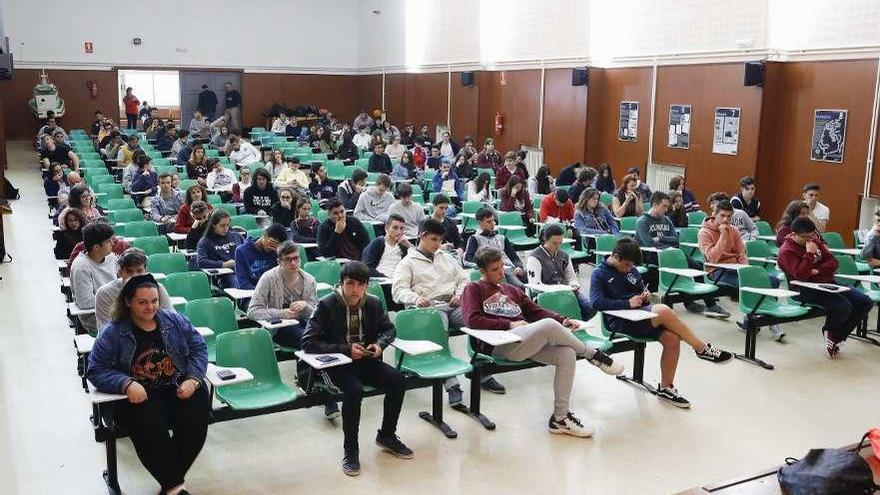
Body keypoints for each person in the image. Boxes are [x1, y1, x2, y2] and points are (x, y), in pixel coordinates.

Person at [463, 245, 622, 436]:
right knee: (548, 325)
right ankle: (593, 355)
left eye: (501, 267)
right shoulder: (473, 288)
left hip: (523, 342)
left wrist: (562, 320)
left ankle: (560, 418)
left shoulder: (511, 289)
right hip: (499, 345)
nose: (501, 272)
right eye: (495, 269)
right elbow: (472, 320)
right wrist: (509, 325)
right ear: (482, 271)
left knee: (566, 353)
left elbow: (535, 311)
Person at [88, 274, 209, 495]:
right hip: (134, 398)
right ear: (128, 302)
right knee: (149, 415)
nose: (150, 307)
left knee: (199, 402)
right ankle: (174, 487)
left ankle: (171, 483)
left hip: (172, 387)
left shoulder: (174, 321)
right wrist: (125, 383)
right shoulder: (113, 332)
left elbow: (199, 348)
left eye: (154, 301)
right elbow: (95, 369)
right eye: (142, 302)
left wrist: (193, 378)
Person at [590, 238, 733, 407]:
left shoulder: (632, 270)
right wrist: (626, 303)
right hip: (620, 321)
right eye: (627, 265)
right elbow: (596, 303)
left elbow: (639, 292)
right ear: (615, 256)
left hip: (640, 317)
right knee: (663, 309)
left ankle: (666, 387)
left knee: (672, 339)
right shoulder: (599, 274)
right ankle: (701, 348)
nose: (629, 269)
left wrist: (645, 297)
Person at [302, 261, 413, 476]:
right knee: (354, 390)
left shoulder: (373, 302)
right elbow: (308, 342)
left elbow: (389, 330)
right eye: (350, 283)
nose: (355, 289)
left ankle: (387, 435)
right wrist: (345, 349)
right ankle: (350, 449)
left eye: (361, 284)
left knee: (398, 380)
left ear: (367, 285)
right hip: (336, 365)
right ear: (341, 283)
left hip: (365, 359)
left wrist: (379, 345)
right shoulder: (326, 304)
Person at [393, 218, 506, 400]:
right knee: (439, 327)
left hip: (453, 304)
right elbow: (398, 290)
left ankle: (481, 370)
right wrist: (416, 298)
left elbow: (463, 279)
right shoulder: (408, 263)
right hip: (429, 309)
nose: (438, 244)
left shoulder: (445, 257)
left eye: (440, 240)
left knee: (481, 321)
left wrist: (460, 295)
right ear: (423, 236)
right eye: (434, 240)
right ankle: (451, 383)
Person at [778, 217, 872, 358]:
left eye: (813, 235)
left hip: (827, 283)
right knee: (843, 306)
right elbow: (801, 276)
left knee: (864, 301)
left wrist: (817, 270)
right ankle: (830, 331)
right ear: (794, 234)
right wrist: (809, 254)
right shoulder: (786, 251)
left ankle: (837, 337)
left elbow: (833, 263)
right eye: (806, 237)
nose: (811, 239)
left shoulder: (814, 241)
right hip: (804, 290)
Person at [698, 200, 784, 341]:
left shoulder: (734, 230)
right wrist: (723, 235)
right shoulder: (704, 232)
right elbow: (713, 258)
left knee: (773, 281)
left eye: (729, 216)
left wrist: (746, 271)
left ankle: (754, 317)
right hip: (718, 271)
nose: (726, 220)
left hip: (737, 269)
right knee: (751, 286)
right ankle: (768, 322)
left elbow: (741, 254)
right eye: (722, 216)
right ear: (714, 214)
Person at [635, 191, 730, 319]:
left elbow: (676, 239)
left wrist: (660, 238)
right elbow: (649, 244)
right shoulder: (642, 221)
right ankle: (699, 303)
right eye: (664, 206)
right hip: (651, 257)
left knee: (698, 267)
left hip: (672, 253)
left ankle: (699, 302)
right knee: (687, 266)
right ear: (655, 204)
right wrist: (664, 242)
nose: (667, 209)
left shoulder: (666, 220)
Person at [527, 224, 595, 321]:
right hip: (546, 293)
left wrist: (574, 284)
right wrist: (555, 289)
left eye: (560, 242)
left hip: (566, 290)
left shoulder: (564, 255)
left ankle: (576, 322)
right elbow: (535, 285)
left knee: (590, 307)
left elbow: (571, 276)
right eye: (554, 243)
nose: (558, 246)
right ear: (545, 239)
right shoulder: (534, 257)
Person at [94, 249, 173, 332]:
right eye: (129, 272)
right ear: (120, 272)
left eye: (139, 271)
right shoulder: (105, 294)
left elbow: (170, 321)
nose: (134, 277)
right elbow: (105, 332)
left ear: (146, 272)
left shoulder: (158, 289)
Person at [71, 222, 119, 334]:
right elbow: (85, 302)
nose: (113, 243)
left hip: (115, 309)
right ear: (96, 247)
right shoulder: (81, 267)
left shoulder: (111, 258)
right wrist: (117, 298)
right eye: (108, 241)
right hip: (94, 317)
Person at [464, 207, 528, 290]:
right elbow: (468, 259)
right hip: (498, 270)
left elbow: (514, 257)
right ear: (480, 223)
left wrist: (518, 266)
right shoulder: (475, 239)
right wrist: (486, 266)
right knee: (520, 287)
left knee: (532, 278)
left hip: (511, 268)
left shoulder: (502, 238)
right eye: (488, 222)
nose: (492, 224)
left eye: (493, 221)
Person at [196, 209, 244, 289]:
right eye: (222, 225)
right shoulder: (205, 241)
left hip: (243, 271)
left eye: (228, 225)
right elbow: (202, 262)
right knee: (238, 283)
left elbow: (247, 251)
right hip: (224, 276)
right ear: (213, 225)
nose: (226, 228)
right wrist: (223, 264)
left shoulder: (236, 236)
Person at [234, 224, 288, 290]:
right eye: (272, 242)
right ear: (265, 235)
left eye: (277, 246)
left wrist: (281, 254)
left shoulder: (276, 252)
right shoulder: (242, 251)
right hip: (251, 293)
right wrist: (263, 292)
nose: (272, 248)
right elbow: (243, 283)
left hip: (273, 292)